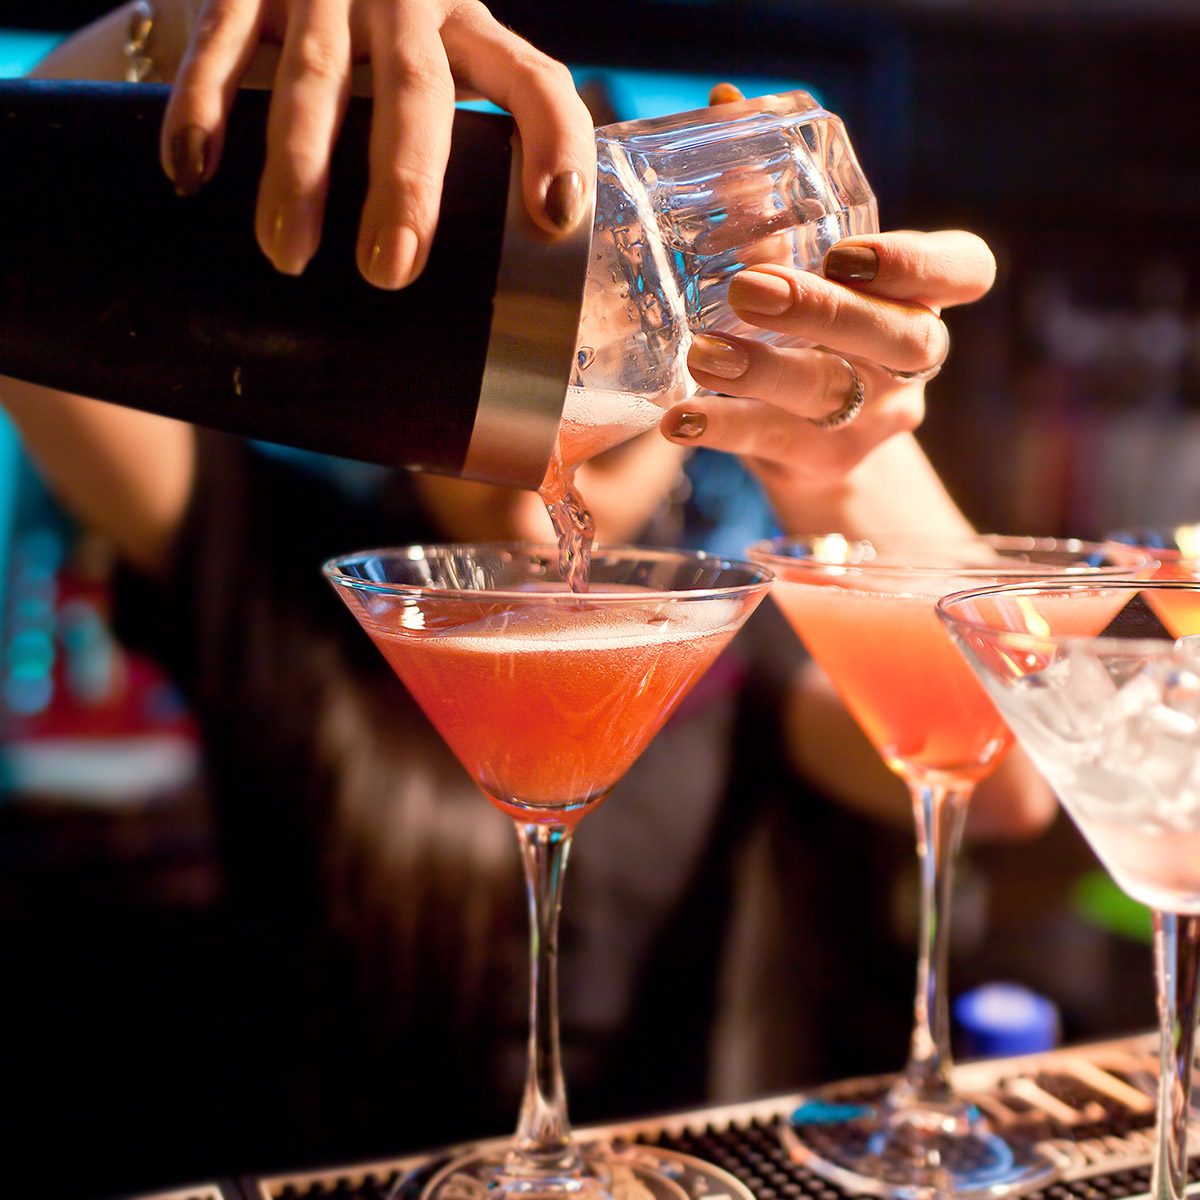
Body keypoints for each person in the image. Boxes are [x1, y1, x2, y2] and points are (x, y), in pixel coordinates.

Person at [0, 0, 1056, 1191]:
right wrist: (179, 28)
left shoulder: (730, 653)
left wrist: (847, 456)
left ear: (695, 391)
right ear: (389, 373)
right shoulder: (272, 572)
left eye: (616, 352)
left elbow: (1006, 776)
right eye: (500, 341)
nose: (556, 413)